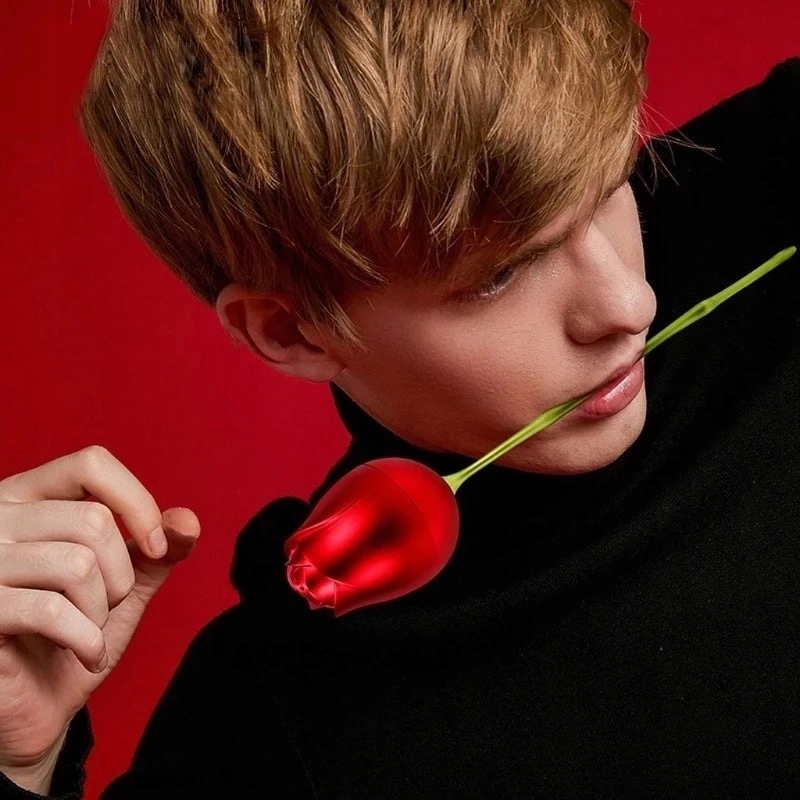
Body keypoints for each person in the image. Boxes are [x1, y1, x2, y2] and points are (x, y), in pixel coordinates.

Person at [1, 1, 798, 797]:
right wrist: (19, 764)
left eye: (617, 181)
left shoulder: (770, 182)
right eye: (500, 275)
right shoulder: (278, 724)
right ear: (293, 331)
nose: (628, 303)